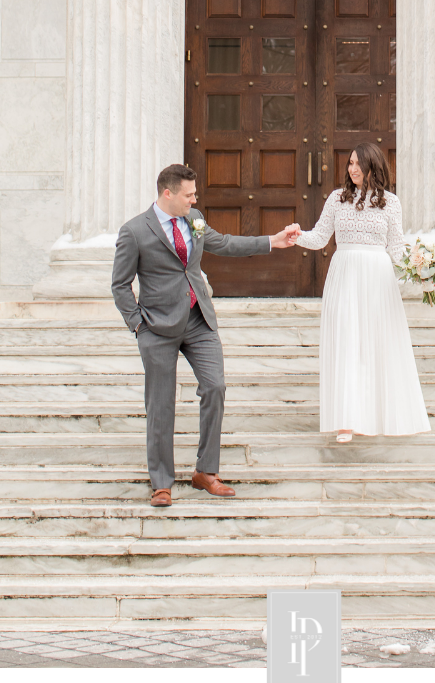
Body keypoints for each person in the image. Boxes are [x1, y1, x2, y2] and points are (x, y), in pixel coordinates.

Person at [111, 162, 300, 507]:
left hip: (199, 321)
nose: (195, 199)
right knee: (161, 405)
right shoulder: (134, 231)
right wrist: (138, 325)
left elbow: (224, 243)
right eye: (189, 194)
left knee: (215, 387)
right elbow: (120, 285)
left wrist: (271, 241)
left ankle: (205, 472)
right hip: (157, 327)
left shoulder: (193, 219)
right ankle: (162, 483)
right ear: (167, 194)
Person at [291, 141, 430, 442]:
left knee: (376, 343)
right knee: (346, 343)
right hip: (344, 275)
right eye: (350, 163)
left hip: (378, 279)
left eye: (358, 163)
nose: (352, 169)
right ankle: (345, 421)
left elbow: (396, 246)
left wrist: (420, 266)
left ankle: (378, 415)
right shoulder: (337, 199)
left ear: (373, 166)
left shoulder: (390, 202)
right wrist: (296, 236)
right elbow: (318, 238)